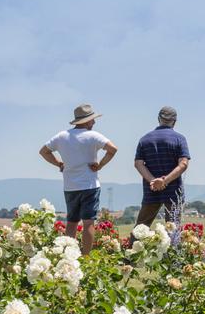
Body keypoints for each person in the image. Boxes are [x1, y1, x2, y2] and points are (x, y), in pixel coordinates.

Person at [39, 104, 118, 255]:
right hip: (90, 185)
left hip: (70, 186)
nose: (94, 123)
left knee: (72, 222)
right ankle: (86, 257)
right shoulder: (93, 136)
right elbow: (113, 149)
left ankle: (69, 255)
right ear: (87, 121)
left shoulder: (61, 136)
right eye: (92, 120)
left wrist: (58, 163)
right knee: (89, 222)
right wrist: (100, 165)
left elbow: (43, 151)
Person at [133, 106, 190, 228]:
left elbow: (138, 163)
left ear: (158, 119)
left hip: (151, 189)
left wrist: (153, 181)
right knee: (173, 229)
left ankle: (131, 247)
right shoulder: (179, 139)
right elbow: (183, 164)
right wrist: (165, 181)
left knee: (141, 228)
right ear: (174, 121)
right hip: (174, 191)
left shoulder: (144, 139)